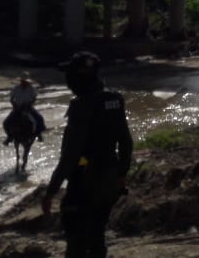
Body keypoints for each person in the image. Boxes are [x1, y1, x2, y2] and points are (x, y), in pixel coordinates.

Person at [42, 51, 133, 258]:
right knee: (97, 233)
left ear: (76, 77)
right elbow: (126, 141)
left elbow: (71, 154)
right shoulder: (115, 99)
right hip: (109, 177)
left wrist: (51, 191)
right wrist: (121, 174)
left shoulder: (81, 105)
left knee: (76, 239)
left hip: (84, 179)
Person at [3, 71, 45, 144]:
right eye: (23, 81)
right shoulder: (16, 88)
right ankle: (9, 136)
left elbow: (34, 98)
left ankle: (39, 134)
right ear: (21, 81)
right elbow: (11, 99)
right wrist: (14, 105)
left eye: (25, 81)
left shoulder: (32, 88)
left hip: (28, 107)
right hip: (17, 108)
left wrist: (30, 104)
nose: (24, 82)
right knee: (6, 122)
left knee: (39, 118)